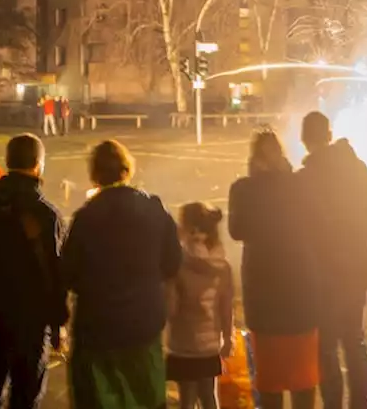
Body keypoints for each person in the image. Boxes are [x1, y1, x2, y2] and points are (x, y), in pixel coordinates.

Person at [63, 140, 181, 409]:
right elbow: (173, 262)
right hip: (143, 323)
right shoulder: (154, 209)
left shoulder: (87, 216)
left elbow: (68, 272)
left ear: (95, 173)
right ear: (127, 169)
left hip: (98, 327)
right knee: (144, 396)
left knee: (100, 398)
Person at [0, 134, 66, 409]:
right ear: (38, 164)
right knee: (25, 392)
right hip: (29, 318)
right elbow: (54, 269)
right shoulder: (44, 214)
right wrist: (59, 320)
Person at [228, 130, 320, 409]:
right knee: (303, 377)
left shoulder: (243, 188)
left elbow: (236, 230)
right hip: (300, 288)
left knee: (269, 381)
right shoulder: (300, 185)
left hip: (263, 291)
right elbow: (317, 224)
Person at [296, 112, 367, 409]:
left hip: (324, 276)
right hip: (356, 270)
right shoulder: (356, 167)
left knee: (327, 346)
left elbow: (300, 228)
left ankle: (333, 404)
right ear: (329, 134)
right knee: (355, 343)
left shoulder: (306, 178)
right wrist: (361, 246)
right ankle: (361, 405)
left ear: (305, 140)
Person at [165, 202, 234, 409]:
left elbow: (172, 308)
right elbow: (226, 305)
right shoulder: (222, 266)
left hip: (184, 344)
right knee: (208, 396)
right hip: (210, 345)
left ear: (189, 229)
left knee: (186, 400)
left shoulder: (178, 265)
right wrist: (228, 337)